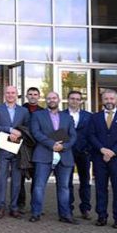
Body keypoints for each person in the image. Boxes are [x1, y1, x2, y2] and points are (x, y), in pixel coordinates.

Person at [29, 91, 77, 224]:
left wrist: (64, 147)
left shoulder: (67, 117)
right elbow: (36, 133)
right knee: (39, 186)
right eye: (49, 98)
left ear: (59, 99)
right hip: (43, 154)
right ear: (46, 100)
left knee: (64, 187)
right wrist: (52, 144)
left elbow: (73, 135)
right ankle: (36, 213)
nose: (52, 100)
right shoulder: (37, 115)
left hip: (64, 155)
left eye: (54, 98)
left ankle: (65, 215)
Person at [88, 89, 117, 229]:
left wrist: (112, 152)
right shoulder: (94, 117)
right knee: (101, 189)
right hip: (99, 158)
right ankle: (101, 216)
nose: (109, 101)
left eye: (112, 98)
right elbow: (91, 135)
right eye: (106, 98)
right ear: (102, 100)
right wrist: (102, 150)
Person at [0, 86, 30, 219]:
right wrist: (9, 130)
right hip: (3, 147)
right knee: (1, 178)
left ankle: (14, 207)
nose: (10, 95)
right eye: (7, 92)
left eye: (13, 93)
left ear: (17, 95)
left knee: (17, 180)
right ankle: (0, 207)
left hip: (18, 148)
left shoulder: (24, 111)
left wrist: (19, 134)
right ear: (4, 94)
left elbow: (28, 127)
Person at [64, 90, 93, 220]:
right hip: (67, 152)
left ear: (81, 101)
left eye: (77, 99)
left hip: (83, 152)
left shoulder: (89, 116)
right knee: (66, 182)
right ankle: (68, 208)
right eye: (72, 98)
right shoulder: (61, 115)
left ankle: (85, 208)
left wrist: (88, 149)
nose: (74, 101)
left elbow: (92, 134)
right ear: (68, 100)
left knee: (85, 181)